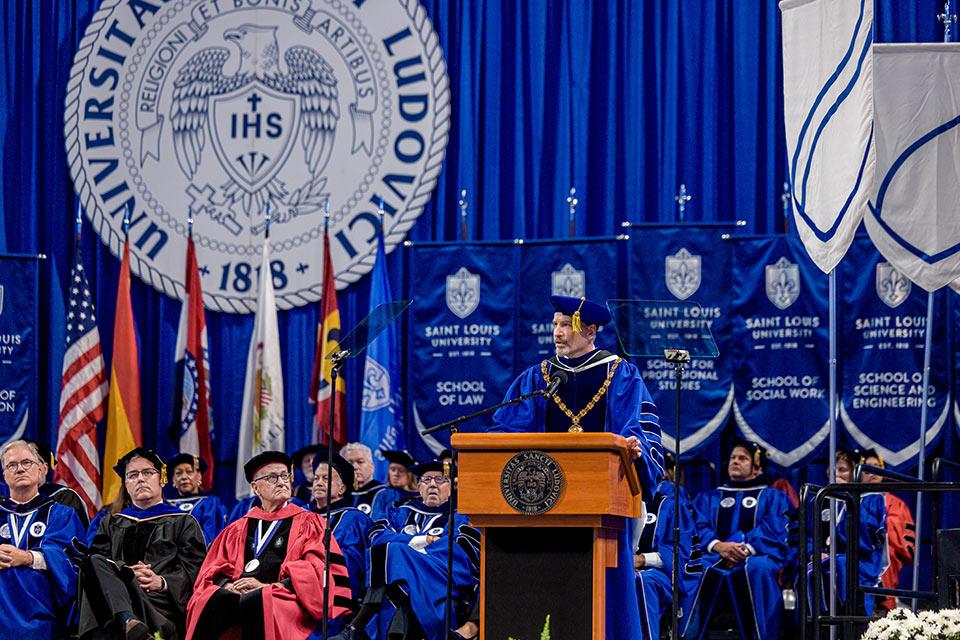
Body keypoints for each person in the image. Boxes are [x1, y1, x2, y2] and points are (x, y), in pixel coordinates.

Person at [490, 294, 664, 640]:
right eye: (554, 325)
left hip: (602, 503)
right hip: (542, 506)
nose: (556, 333)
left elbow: (636, 426)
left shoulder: (620, 373)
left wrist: (636, 447)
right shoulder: (538, 377)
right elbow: (508, 430)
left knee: (603, 590)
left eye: (564, 326)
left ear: (590, 330)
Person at [186, 451, 353, 639]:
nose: (282, 482)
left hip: (283, 596)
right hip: (236, 592)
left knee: (260, 600)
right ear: (256, 488)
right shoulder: (238, 528)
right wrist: (229, 586)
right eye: (272, 477)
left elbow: (316, 568)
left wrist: (268, 586)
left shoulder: (309, 522)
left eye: (285, 475)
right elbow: (213, 568)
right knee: (207, 600)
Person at [331, 460, 481, 640]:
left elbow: (460, 551)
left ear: (451, 486)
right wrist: (420, 541)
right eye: (426, 480)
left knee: (393, 552)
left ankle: (356, 626)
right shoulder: (400, 513)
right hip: (404, 582)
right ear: (418, 486)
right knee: (399, 579)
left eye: (440, 479)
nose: (433, 484)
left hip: (439, 579)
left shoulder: (461, 517)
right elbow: (377, 536)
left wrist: (407, 553)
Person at [77, 447, 207, 640]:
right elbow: (98, 570)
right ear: (126, 485)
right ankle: (129, 621)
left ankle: (133, 623)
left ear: (161, 479)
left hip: (157, 604)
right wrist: (127, 573)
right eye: (132, 475)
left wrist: (161, 582)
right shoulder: (111, 523)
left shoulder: (183, 521)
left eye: (147, 473)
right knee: (92, 561)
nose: (140, 479)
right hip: (115, 602)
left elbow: (195, 570)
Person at [681, 440, 792, 640]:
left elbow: (774, 529)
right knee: (697, 567)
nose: (735, 462)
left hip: (756, 556)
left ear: (756, 467)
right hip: (714, 555)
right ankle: (688, 635)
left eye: (742, 458)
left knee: (759, 568)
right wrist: (717, 546)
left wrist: (744, 549)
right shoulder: (709, 497)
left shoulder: (772, 497)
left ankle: (763, 636)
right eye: (733, 458)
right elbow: (697, 526)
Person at [0, 439, 85, 640]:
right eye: (12, 465)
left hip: (41, 607)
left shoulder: (61, 514)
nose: (19, 469)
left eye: (26, 463)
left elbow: (73, 563)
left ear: (41, 470)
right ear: (4, 475)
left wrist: (29, 558)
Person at [805, 448, 888, 616]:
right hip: (824, 560)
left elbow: (867, 541)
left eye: (842, 470)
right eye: (832, 469)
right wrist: (813, 552)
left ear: (854, 473)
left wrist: (847, 497)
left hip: (859, 561)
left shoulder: (869, 500)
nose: (835, 474)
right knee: (807, 573)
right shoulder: (818, 500)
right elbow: (806, 535)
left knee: (841, 565)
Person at [635, 454, 697, 640]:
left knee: (643, 581)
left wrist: (642, 559)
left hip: (661, 574)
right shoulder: (618, 502)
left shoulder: (669, 505)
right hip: (624, 567)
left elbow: (680, 552)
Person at [309, 448, 373, 621]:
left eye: (326, 478)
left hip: (335, 600)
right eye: (316, 478)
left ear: (342, 488)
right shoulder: (302, 516)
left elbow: (353, 564)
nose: (319, 483)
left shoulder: (355, 519)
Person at [861, 449, 911, 611]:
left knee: (886, 552)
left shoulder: (894, 502)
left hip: (885, 557)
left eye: (877, 467)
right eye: (868, 469)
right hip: (859, 553)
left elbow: (904, 541)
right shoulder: (850, 499)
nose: (873, 473)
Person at [166, 452, 227, 546]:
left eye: (189, 471)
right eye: (178, 473)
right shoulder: (166, 505)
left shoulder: (211, 503)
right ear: (173, 480)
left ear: (199, 476)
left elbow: (213, 535)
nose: (184, 477)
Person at [369, 449, 419, 521]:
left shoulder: (420, 496)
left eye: (401, 470)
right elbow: (376, 519)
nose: (396, 474)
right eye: (392, 469)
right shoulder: (384, 494)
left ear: (410, 474)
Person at [341, 443, 385, 515]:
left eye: (360, 462)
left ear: (372, 467)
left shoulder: (386, 494)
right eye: (349, 463)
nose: (354, 467)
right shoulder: (337, 496)